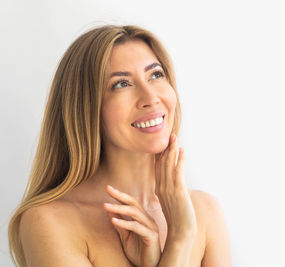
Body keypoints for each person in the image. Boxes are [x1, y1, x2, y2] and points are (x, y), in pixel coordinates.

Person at [8, 25, 232, 267]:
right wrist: (179, 239)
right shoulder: (49, 221)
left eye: (155, 75)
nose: (151, 98)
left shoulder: (205, 211)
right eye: (122, 84)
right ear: (86, 109)